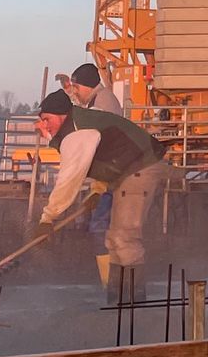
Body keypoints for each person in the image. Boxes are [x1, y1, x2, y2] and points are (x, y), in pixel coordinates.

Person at [35, 87, 166, 292]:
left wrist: (48, 218)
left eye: (47, 119)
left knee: (124, 236)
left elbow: (69, 179)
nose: (43, 125)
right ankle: (117, 296)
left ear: (62, 115)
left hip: (141, 167)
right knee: (113, 238)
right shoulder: (78, 125)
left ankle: (132, 300)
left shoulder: (77, 133)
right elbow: (107, 155)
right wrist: (98, 188)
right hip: (129, 169)